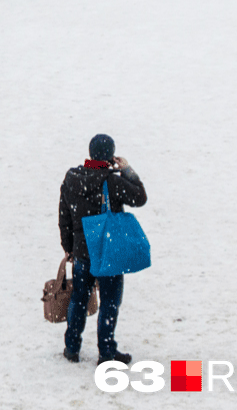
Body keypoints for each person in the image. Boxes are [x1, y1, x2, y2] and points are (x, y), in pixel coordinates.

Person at [59, 133, 148, 364]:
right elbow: (140, 197)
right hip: (107, 249)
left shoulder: (72, 178)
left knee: (79, 298)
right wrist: (127, 170)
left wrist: (68, 248)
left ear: (90, 154)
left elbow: (64, 216)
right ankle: (106, 351)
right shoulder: (112, 181)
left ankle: (71, 347)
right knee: (109, 300)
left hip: (81, 250)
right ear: (110, 155)